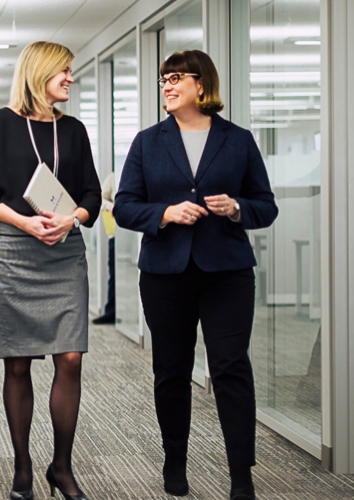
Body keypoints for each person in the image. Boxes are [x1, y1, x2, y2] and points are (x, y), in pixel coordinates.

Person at [113, 50, 278, 500]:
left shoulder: (238, 140)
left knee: (230, 369)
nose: (167, 85)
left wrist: (238, 208)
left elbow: (267, 205)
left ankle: (241, 475)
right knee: (171, 369)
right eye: (163, 79)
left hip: (227, 272)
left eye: (176, 78)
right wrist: (164, 213)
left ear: (201, 85)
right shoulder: (147, 142)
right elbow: (124, 206)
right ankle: (175, 460)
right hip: (166, 273)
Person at [0, 41, 101, 500]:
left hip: (63, 253)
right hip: (12, 253)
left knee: (71, 358)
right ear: (39, 73)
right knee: (18, 363)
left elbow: (91, 195)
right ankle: (23, 467)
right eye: (63, 71)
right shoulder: (0, 123)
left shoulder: (75, 130)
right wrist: (24, 219)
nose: (69, 78)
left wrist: (72, 218)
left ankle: (60, 467)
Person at [92, 172, 116, 325]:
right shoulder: (113, 177)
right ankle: (112, 311)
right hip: (116, 233)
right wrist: (110, 206)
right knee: (113, 273)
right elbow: (99, 198)